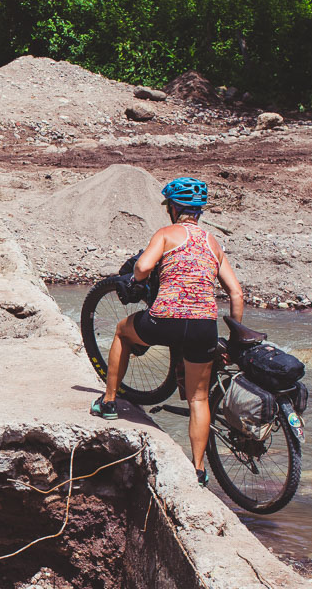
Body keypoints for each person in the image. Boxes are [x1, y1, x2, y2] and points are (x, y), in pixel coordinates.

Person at [90, 177, 244, 485]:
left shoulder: (166, 233)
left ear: (174, 208)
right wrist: (236, 337)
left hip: (165, 319)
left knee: (122, 331)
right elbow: (236, 293)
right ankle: (199, 470)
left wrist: (136, 277)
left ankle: (108, 402)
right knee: (198, 399)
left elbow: (143, 268)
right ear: (199, 211)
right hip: (203, 327)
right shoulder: (214, 244)